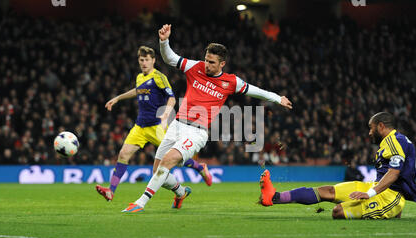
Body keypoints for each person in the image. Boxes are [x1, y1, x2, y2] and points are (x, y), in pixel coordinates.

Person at [121, 24, 293, 213]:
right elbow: (171, 58)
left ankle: (140, 202)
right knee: (157, 172)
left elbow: (256, 91)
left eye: (212, 62)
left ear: (222, 64)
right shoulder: (196, 67)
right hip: (177, 125)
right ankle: (180, 193)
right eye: (206, 60)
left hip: (197, 132)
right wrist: (164, 41)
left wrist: (278, 98)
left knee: (168, 160)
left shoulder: (231, 81)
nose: (207, 65)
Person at [95, 45, 212, 202]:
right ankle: (111, 191)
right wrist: (118, 98)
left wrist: (165, 114)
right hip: (140, 126)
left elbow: (171, 97)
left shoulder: (159, 77)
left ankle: (199, 167)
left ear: (153, 61)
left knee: (174, 158)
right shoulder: (139, 77)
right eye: (141, 60)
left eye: (147, 60)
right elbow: (137, 90)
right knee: (123, 154)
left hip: (157, 126)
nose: (144, 63)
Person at [258, 112, 416, 219]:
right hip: (378, 187)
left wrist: (369, 194)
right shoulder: (394, 141)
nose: (370, 133)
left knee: (338, 212)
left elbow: (394, 173)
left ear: (381, 126)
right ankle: (273, 197)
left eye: (371, 128)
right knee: (327, 191)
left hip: (390, 196)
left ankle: (389, 212)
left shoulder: (394, 140)